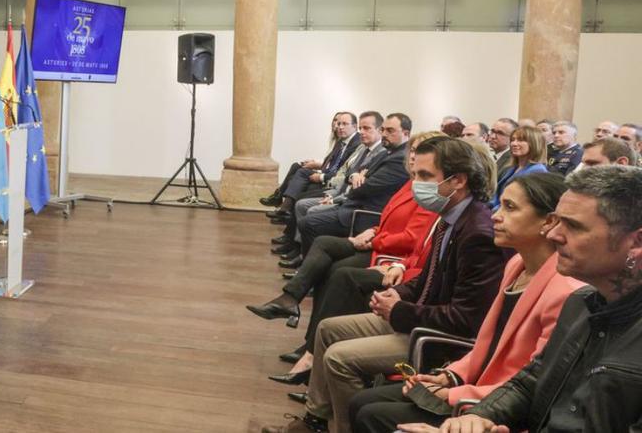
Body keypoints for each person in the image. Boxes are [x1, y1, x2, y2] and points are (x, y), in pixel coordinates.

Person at [263, 137, 506, 433]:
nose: (417, 183)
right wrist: (398, 293)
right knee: (328, 329)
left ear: (458, 181)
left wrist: (400, 310)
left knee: (339, 358)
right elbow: (427, 279)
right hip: (418, 317)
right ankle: (316, 420)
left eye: (426, 176)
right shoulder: (451, 218)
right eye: (416, 175)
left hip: (436, 338)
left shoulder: (477, 232)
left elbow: (466, 319)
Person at [399, 166, 642, 433]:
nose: (553, 234)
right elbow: (531, 382)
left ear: (636, 242)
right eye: (557, 221)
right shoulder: (581, 303)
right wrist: (479, 417)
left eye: (573, 226)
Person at [348, 173, 583, 432]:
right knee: (362, 402)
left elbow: (531, 383)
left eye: (510, 208)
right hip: (475, 387)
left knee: (373, 415)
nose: (496, 215)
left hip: (496, 409)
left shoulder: (565, 292)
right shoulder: (516, 265)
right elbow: (488, 343)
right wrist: (450, 375)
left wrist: (453, 394)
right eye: (500, 205)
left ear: (548, 222)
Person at [249, 132, 442, 379]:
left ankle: (310, 347)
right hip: (377, 238)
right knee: (323, 245)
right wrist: (373, 230)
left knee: (335, 268)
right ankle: (294, 307)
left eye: (419, 150)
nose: (413, 155)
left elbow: (411, 238)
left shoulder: (425, 190)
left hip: (388, 253)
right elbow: (388, 217)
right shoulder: (411, 181)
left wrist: (374, 238)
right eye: (413, 150)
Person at [294, 114, 412, 267]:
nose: (384, 134)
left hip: (364, 213)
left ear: (406, 134)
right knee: (303, 201)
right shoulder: (385, 152)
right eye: (383, 130)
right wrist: (357, 175)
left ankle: (308, 266)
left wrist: (357, 180)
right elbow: (353, 172)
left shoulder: (398, 158)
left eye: (390, 130)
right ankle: (307, 264)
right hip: (351, 203)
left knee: (309, 221)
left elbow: (364, 187)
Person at [263, 112, 362, 212]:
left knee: (300, 178)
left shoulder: (357, 143)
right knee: (297, 170)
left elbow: (342, 170)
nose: (340, 127)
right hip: (329, 174)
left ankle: (283, 206)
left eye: (344, 124)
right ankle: (283, 206)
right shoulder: (342, 140)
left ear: (354, 126)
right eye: (338, 123)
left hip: (335, 182)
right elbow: (331, 162)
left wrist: (321, 175)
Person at [491, 126, 548, 211]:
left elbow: (521, 202)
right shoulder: (511, 168)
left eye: (520, 140)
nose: (514, 144)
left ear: (534, 143)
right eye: (513, 140)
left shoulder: (538, 171)